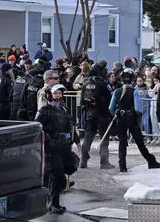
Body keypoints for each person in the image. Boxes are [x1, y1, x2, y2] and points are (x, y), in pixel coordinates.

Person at [35, 84, 81, 214]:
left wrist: (77, 140)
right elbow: (38, 127)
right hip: (52, 147)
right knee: (57, 173)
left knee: (63, 174)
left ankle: (53, 202)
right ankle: (52, 203)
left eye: (60, 93)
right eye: (56, 93)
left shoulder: (64, 109)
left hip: (65, 146)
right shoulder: (44, 110)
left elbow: (70, 126)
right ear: (50, 95)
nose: (59, 96)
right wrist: (50, 141)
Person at [109, 68, 160, 172]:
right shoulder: (134, 92)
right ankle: (151, 161)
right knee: (139, 142)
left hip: (120, 119)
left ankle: (122, 166)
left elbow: (111, 108)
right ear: (132, 79)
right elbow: (138, 109)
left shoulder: (116, 91)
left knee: (122, 143)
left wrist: (118, 113)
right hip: (131, 120)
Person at [80, 64, 114, 169]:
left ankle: (83, 160)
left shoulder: (85, 83)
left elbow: (82, 100)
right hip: (102, 114)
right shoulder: (103, 84)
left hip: (89, 113)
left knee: (88, 136)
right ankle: (104, 162)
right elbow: (110, 99)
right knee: (104, 138)